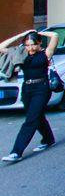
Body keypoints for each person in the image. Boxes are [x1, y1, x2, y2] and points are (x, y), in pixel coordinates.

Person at [1, 29, 59, 163]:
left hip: (42, 88)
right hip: (27, 89)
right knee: (37, 116)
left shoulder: (46, 53)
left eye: (33, 44)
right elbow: (1, 47)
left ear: (39, 43)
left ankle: (16, 152)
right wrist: (21, 35)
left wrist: (39, 32)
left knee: (31, 120)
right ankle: (48, 139)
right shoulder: (20, 53)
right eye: (27, 45)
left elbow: (54, 35)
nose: (30, 48)